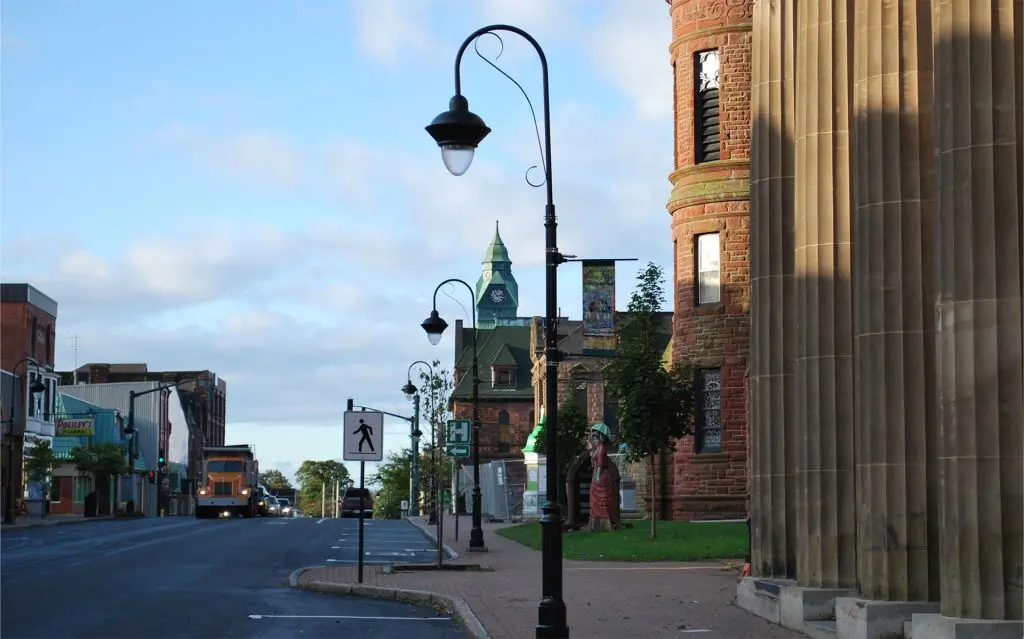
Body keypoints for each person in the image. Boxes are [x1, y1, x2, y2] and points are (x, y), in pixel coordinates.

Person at [587, 422, 620, 531]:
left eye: (596, 438)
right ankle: (597, 521)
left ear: (601, 438)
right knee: (595, 499)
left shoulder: (601, 449)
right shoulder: (598, 448)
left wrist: (597, 476)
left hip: (601, 476)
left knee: (602, 499)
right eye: (594, 438)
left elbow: (601, 464)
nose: (595, 440)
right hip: (597, 474)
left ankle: (604, 521)